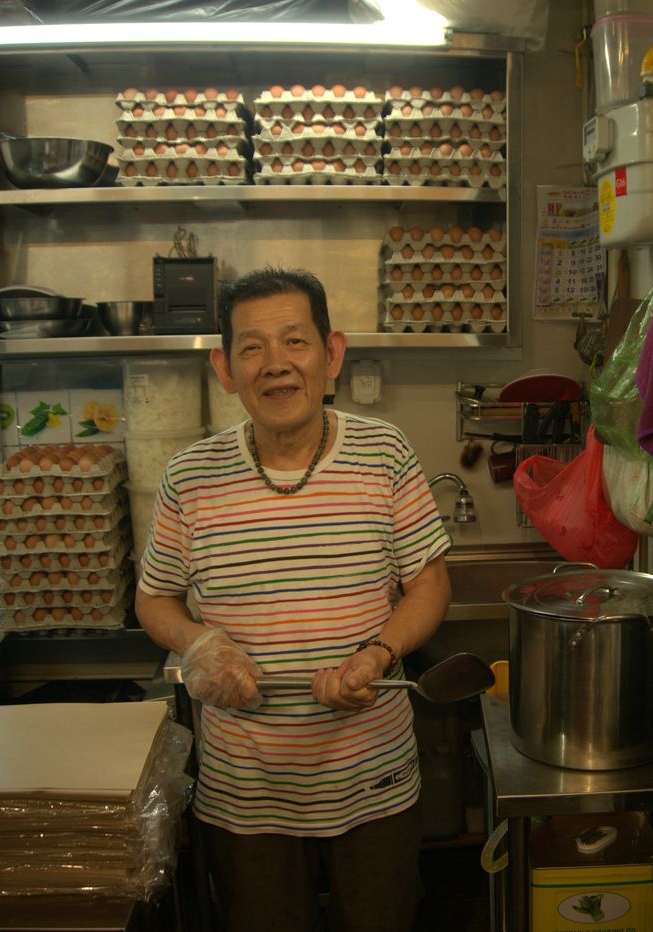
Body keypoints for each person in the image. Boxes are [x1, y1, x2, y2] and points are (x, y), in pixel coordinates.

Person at [135, 266, 452, 932]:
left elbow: (429, 582)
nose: (275, 365)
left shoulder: (383, 452)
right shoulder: (189, 478)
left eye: (294, 342)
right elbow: (154, 599)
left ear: (330, 353)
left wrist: (378, 652)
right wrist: (200, 642)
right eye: (252, 348)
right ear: (225, 366)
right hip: (245, 796)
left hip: (374, 783)